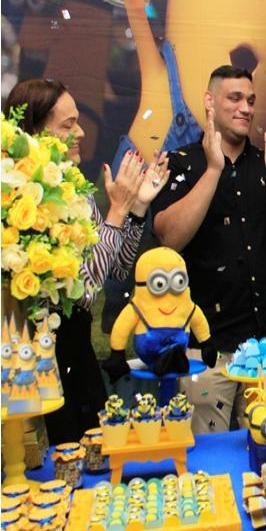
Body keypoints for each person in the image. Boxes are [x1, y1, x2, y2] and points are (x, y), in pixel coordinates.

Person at [4, 78, 169, 443]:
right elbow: (85, 290)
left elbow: (116, 268)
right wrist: (117, 212)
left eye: (78, 121)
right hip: (41, 364)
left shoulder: (74, 188)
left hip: (78, 355)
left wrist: (136, 210)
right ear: (35, 132)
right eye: (68, 125)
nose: (80, 132)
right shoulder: (19, 199)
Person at [150, 65, 266, 434]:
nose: (246, 108)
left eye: (251, 100)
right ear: (209, 102)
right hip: (208, 350)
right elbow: (169, 238)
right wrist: (213, 170)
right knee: (207, 458)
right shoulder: (181, 163)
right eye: (235, 98)